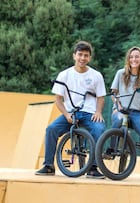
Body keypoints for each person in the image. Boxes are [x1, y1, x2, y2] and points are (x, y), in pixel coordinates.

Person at [35, 41, 106, 179]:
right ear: (74, 55)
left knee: (99, 129)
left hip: (89, 113)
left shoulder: (96, 75)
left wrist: (98, 112)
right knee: (51, 129)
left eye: (86, 55)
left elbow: (101, 97)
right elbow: (58, 99)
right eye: (80, 55)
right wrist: (66, 114)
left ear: (90, 58)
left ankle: (93, 168)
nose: (82, 58)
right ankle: (48, 165)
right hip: (70, 113)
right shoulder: (64, 75)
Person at [110, 46, 140, 181]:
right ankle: (111, 149)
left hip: (137, 113)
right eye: (131, 57)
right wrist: (117, 106)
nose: (134, 59)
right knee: (118, 120)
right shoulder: (120, 73)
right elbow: (114, 93)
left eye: (137, 56)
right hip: (121, 110)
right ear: (128, 59)